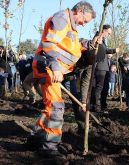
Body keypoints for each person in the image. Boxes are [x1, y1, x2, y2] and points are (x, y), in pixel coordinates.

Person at [29, 1, 96, 158]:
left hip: (52, 69)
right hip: (48, 67)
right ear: (79, 11)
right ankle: (49, 147)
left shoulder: (71, 26)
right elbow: (49, 43)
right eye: (84, 20)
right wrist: (56, 67)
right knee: (56, 107)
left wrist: (91, 43)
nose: (83, 24)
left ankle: (35, 137)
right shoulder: (62, 19)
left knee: (50, 107)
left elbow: (74, 45)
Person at [93, 26, 119, 112]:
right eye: (108, 33)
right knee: (99, 87)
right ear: (103, 30)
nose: (109, 35)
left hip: (104, 67)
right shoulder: (98, 38)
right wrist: (112, 50)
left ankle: (103, 104)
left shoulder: (103, 40)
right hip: (100, 67)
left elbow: (105, 50)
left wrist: (114, 50)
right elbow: (100, 51)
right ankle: (96, 106)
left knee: (105, 87)